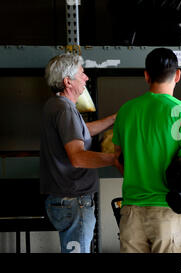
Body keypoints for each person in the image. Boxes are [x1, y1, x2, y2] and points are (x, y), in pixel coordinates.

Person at [112, 48, 181, 253]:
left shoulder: (126, 111)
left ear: (146, 76)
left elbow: (119, 159)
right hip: (167, 214)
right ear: (178, 75)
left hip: (130, 213)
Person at [40, 53, 118, 253]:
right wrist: (113, 159)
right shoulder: (65, 110)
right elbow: (78, 157)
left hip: (63, 199)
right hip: (74, 201)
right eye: (82, 74)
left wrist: (113, 118)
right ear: (68, 81)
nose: (86, 78)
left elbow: (82, 132)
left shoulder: (56, 105)